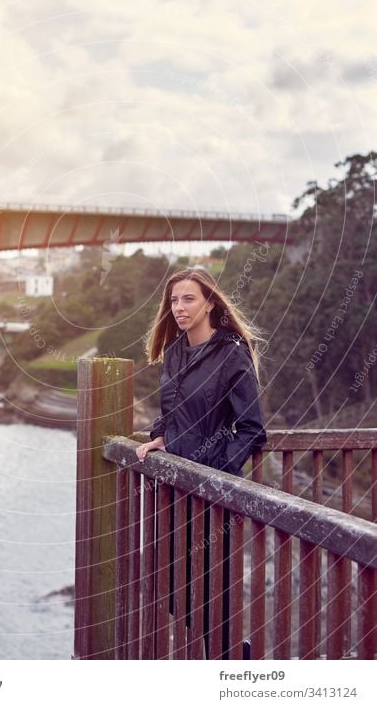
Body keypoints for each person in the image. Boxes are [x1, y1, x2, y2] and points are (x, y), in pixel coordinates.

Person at [135, 267, 267, 658]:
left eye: (189, 298)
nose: (179, 307)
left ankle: (232, 664)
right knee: (176, 591)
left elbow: (253, 428)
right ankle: (223, 655)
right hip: (175, 487)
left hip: (213, 492)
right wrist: (160, 435)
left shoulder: (232, 354)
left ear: (210, 302)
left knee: (215, 588)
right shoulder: (174, 352)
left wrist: (217, 472)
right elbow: (171, 410)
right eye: (174, 300)